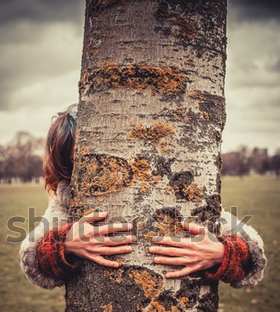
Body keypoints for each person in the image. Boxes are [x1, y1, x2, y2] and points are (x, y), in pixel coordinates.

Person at [20, 104, 266, 291]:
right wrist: (64, 244)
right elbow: (32, 259)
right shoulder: (67, 198)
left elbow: (253, 257)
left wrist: (223, 253)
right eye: (83, 160)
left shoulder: (174, 190)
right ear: (67, 163)